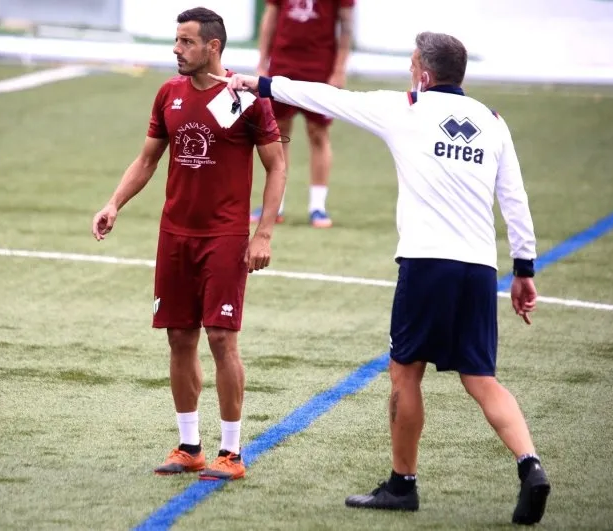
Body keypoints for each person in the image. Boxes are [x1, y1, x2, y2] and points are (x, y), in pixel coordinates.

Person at [211, 31, 551, 524]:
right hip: (479, 269)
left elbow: (325, 97)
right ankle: (530, 466)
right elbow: (515, 202)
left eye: (413, 62)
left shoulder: (405, 109)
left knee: (404, 371)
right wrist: (524, 270)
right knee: (481, 379)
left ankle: (402, 484)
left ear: (425, 73)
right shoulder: (493, 123)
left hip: (426, 264)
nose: (410, 69)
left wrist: (260, 85)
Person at [91, 7, 285, 482]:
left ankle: (232, 452)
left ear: (212, 47)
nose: (176, 49)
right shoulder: (168, 94)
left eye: (185, 41)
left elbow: (277, 165)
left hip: (224, 236)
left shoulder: (247, 98)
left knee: (221, 339)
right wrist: (114, 202)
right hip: (174, 234)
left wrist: (263, 233)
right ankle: (189, 446)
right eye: (176, 41)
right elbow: (147, 159)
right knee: (179, 337)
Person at [250, 0, 355, 228]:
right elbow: (270, 16)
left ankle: (317, 206)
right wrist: (261, 61)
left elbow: (346, 24)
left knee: (318, 132)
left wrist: (339, 69)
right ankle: (275, 204)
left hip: (320, 65)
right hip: (283, 62)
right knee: (278, 132)